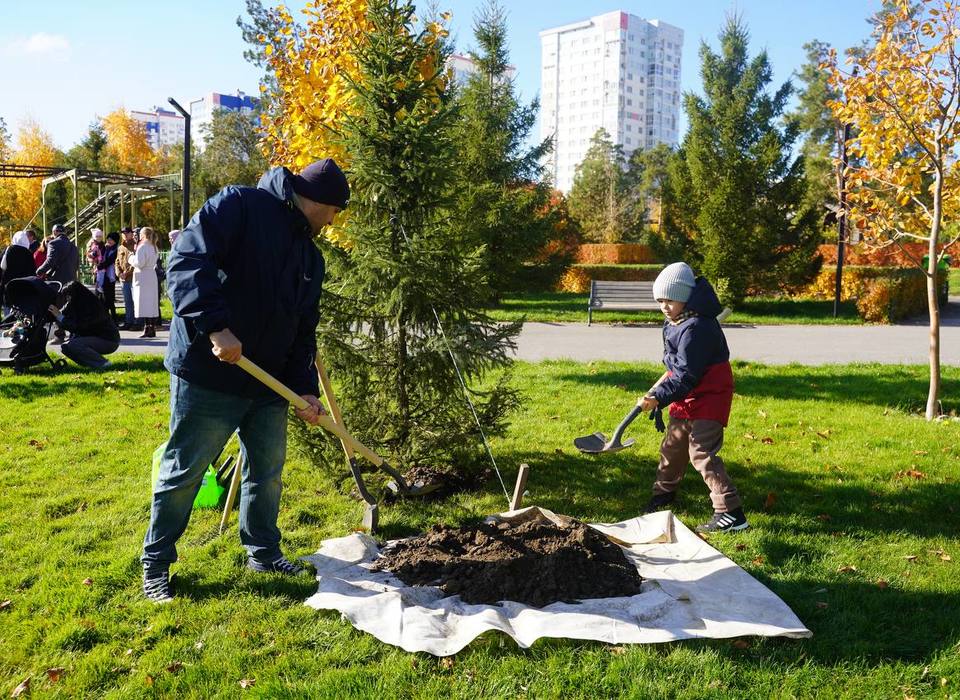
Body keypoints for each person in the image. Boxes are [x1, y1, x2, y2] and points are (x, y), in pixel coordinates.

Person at [141, 158, 347, 603]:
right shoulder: (239, 206)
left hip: (269, 383)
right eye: (333, 211)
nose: (332, 222)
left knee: (266, 474)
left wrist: (304, 388)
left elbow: (302, 329)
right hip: (209, 372)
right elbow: (185, 262)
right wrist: (216, 326)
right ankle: (156, 563)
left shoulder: (311, 257)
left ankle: (263, 551)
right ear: (317, 200)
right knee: (185, 472)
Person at [639, 262, 748, 533]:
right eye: (660, 300)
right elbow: (675, 365)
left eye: (670, 300)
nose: (665, 306)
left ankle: (731, 512)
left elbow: (687, 374)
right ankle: (662, 497)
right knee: (673, 447)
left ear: (686, 297)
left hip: (709, 395)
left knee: (702, 453)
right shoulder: (676, 321)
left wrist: (659, 397)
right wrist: (661, 391)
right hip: (686, 392)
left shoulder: (696, 327)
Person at [48, 281, 119, 369]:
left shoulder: (92, 306)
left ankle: (103, 363)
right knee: (65, 347)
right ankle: (90, 365)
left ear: (74, 295)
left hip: (108, 340)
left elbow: (79, 327)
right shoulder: (74, 302)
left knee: (74, 345)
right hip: (95, 338)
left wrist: (60, 317)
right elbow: (62, 313)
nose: (67, 299)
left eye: (68, 296)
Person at [131, 227, 159, 338]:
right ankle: (150, 327)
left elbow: (139, 263)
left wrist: (130, 258)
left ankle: (148, 328)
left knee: (144, 303)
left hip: (143, 276)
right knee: (150, 304)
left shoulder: (142, 247)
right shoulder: (153, 246)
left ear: (143, 235)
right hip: (151, 275)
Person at [1, 231, 38, 314]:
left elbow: (2, 266)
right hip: (23, 286)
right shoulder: (28, 253)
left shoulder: (9, 250)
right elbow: (32, 271)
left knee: (8, 311)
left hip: (9, 285)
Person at [115, 226, 139, 331]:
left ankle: (137, 322)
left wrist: (127, 273)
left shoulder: (135, 245)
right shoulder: (120, 247)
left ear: (131, 233)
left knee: (136, 301)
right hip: (123, 279)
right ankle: (128, 321)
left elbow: (136, 262)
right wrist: (119, 273)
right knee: (127, 302)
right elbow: (117, 261)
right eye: (123, 233)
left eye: (127, 232)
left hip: (133, 278)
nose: (124, 234)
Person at [97, 232, 120, 322]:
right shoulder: (108, 248)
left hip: (110, 276)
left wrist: (100, 266)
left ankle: (113, 319)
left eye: (110, 239)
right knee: (104, 298)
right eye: (108, 239)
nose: (108, 241)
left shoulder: (115, 250)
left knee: (109, 299)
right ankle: (108, 319)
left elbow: (109, 260)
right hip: (105, 275)